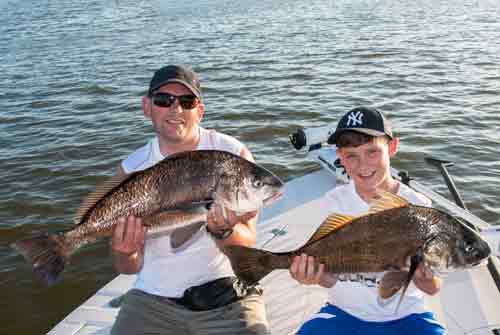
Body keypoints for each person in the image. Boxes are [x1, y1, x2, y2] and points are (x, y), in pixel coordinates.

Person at [110, 65, 269, 335]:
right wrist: (126, 251)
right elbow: (127, 267)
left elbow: (247, 245)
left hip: (225, 295)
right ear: (146, 107)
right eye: (164, 100)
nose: (176, 109)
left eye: (187, 101)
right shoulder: (132, 168)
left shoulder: (232, 154)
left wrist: (224, 231)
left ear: (200, 110)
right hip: (152, 298)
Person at [289, 107, 446, 335]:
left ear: (392, 147)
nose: (363, 165)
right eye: (352, 155)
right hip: (343, 312)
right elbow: (331, 280)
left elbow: (433, 288)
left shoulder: (417, 206)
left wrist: (425, 279)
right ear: (339, 156)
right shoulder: (332, 203)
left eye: (372, 152)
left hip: (407, 315)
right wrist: (311, 276)